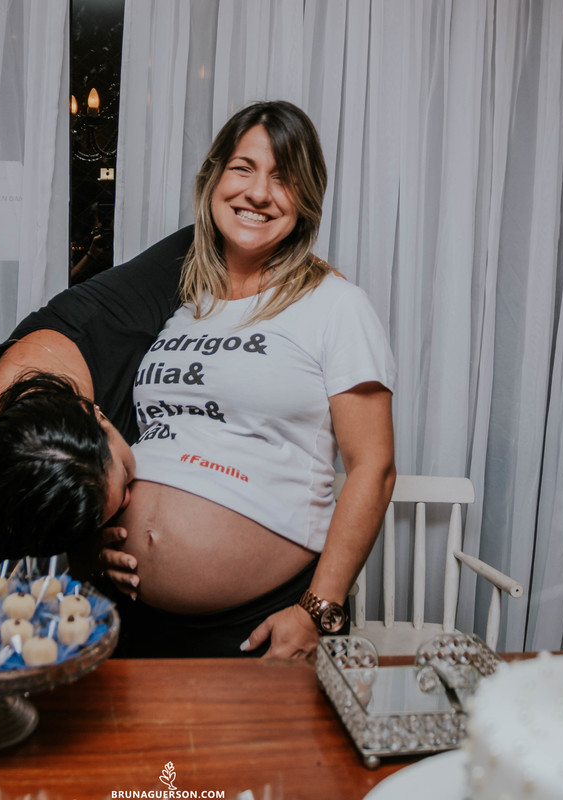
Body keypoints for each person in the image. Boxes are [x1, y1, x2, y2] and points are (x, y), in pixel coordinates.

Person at [105, 101, 397, 660]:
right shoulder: (181, 306)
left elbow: (374, 469)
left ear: (306, 199)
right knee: (155, 755)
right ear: (213, 177)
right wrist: (93, 537)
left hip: (253, 626)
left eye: (283, 178)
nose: (258, 193)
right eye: (243, 168)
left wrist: (320, 608)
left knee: (221, 755)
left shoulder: (336, 306)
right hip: (131, 616)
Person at [0, 226, 193, 571]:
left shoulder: (107, 317)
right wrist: (83, 553)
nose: (130, 500)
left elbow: (203, 239)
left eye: (127, 475)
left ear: (95, 414)